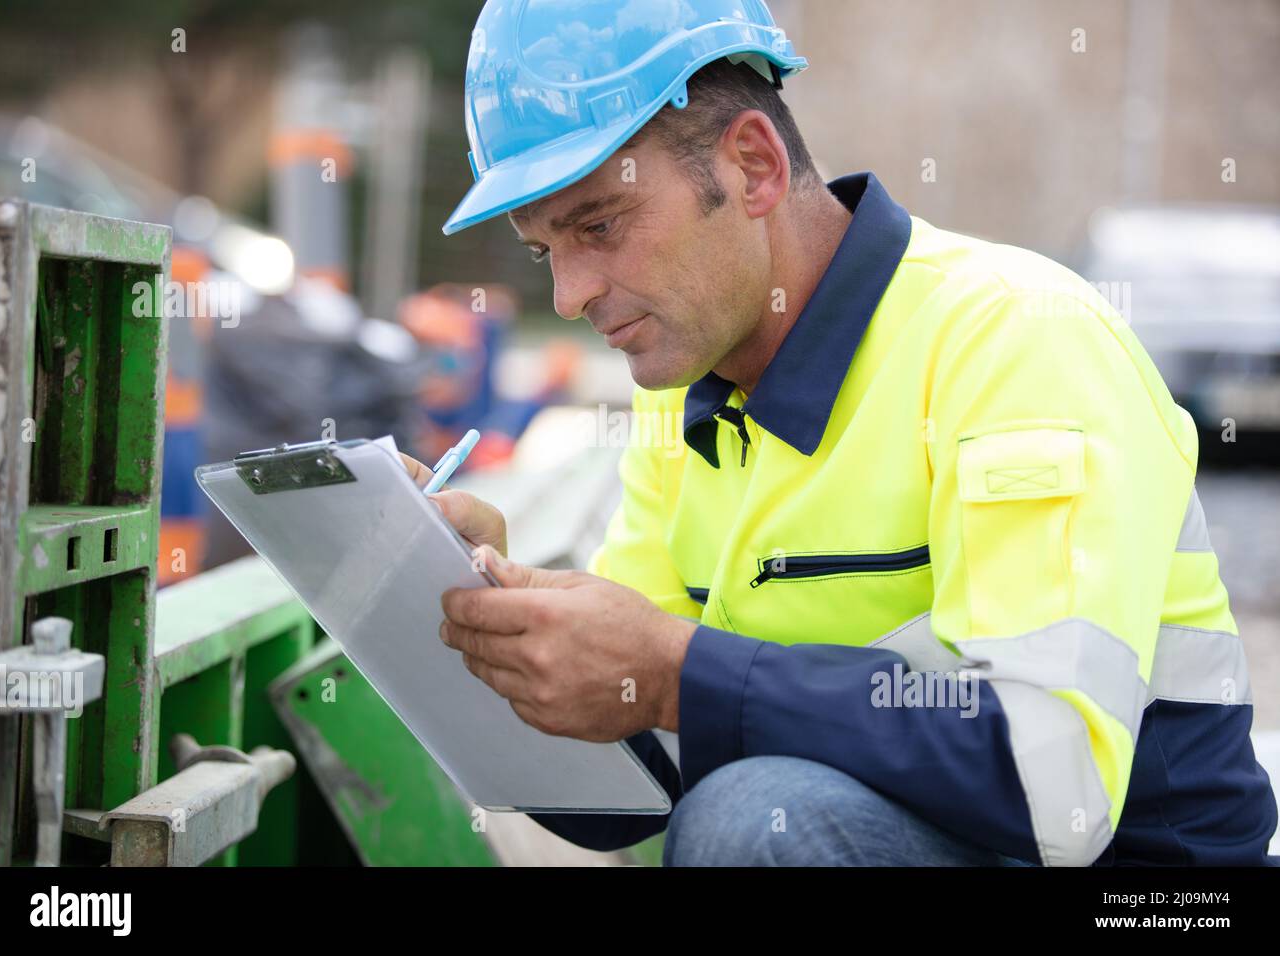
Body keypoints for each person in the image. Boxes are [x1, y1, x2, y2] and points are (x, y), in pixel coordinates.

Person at [402, 0, 1277, 866]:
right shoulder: (686, 396)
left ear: (753, 166)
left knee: (759, 820)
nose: (568, 296)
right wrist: (492, 627)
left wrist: (678, 671)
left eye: (599, 225)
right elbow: (640, 781)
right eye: (542, 250)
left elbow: (1056, 788)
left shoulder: (1017, 339)